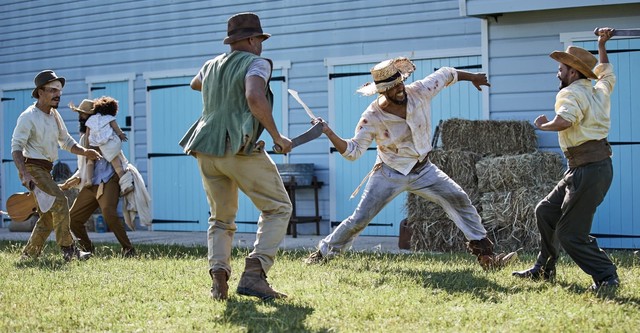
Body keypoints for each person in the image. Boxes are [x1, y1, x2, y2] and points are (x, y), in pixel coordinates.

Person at [305, 57, 517, 270]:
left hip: (423, 169)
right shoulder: (372, 117)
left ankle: (488, 258)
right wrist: (329, 132)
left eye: (399, 83)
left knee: (459, 198)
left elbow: (446, 73)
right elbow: (352, 152)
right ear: (381, 91)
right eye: (390, 88)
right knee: (360, 218)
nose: (398, 90)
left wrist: (473, 77)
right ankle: (323, 254)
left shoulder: (419, 91)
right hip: (389, 173)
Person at [179, 12, 293, 301]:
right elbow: (255, 97)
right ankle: (255, 274)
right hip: (237, 148)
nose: (262, 45)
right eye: (261, 39)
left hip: (205, 149)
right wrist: (277, 137)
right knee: (278, 208)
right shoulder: (257, 63)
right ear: (253, 39)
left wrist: (221, 86)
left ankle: (219, 280)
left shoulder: (210, 65)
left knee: (220, 218)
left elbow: (196, 83)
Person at [513, 28, 619, 291]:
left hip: (588, 170)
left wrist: (544, 125)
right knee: (546, 211)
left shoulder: (570, 93)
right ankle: (544, 270)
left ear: (573, 72)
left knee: (571, 234)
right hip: (589, 168)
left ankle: (606, 276)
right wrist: (601, 44)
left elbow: (565, 120)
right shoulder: (598, 90)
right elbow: (606, 72)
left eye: (561, 68)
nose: (558, 73)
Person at [11, 70, 101, 262]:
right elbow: (16, 148)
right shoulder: (28, 116)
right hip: (33, 170)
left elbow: (66, 141)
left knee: (48, 217)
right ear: (40, 92)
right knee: (60, 201)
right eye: (52, 90)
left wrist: (86, 152)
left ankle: (28, 256)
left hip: (45, 170)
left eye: (59, 91)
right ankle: (69, 250)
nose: (57, 94)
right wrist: (24, 174)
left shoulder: (55, 116)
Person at [61, 99, 136, 258]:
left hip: (109, 179)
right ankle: (87, 250)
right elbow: (83, 165)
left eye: (84, 114)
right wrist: (73, 180)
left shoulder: (106, 131)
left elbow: (115, 150)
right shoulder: (83, 139)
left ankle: (128, 249)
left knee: (108, 212)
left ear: (93, 117)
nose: (81, 117)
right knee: (73, 218)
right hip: (91, 182)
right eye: (80, 114)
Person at [83, 96, 133, 196]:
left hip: (95, 145)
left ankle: (89, 180)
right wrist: (121, 135)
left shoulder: (91, 120)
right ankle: (126, 185)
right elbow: (116, 128)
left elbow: (87, 135)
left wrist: (86, 148)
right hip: (107, 144)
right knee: (117, 165)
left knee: (90, 161)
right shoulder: (109, 118)